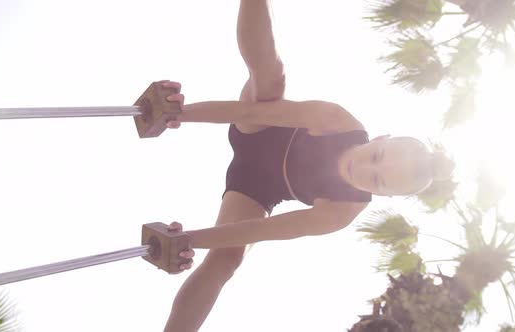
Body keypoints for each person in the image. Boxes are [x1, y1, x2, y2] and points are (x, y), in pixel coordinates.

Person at [159, 1, 455, 331]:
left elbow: (262, 230)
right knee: (271, 79)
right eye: (375, 158)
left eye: (377, 181)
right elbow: (250, 115)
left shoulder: (342, 211)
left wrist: (188, 241)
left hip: (256, 189)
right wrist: (177, 114)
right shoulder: (337, 121)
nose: (362, 172)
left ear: (382, 195)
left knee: (227, 259)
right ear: (379, 137)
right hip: (260, 131)